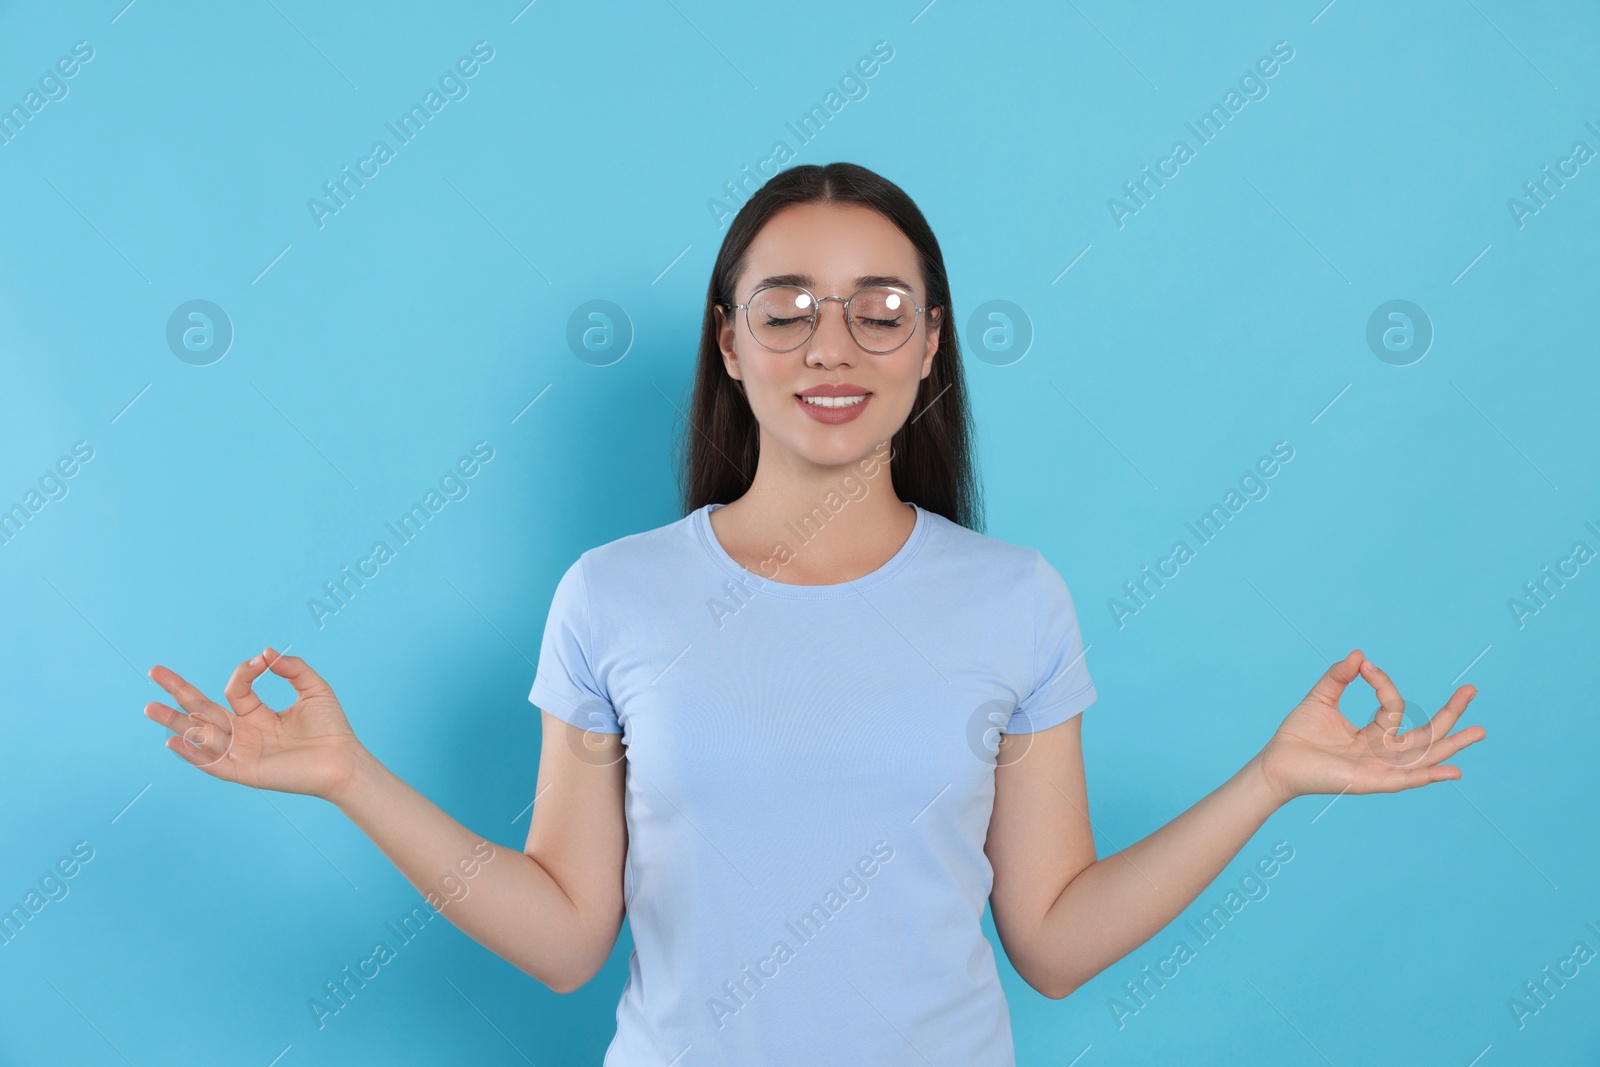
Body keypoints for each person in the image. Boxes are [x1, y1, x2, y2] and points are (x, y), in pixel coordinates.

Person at [143, 162, 1487, 1066]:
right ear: (729, 344)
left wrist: (1270, 781)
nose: (831, 349)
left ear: (932, 343)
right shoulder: (612, 596)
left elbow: (1055, 941)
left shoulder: (1014, 598)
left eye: (875, 312)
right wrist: (346, 777)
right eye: (785, 314)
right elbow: (564, 937)